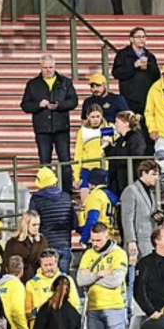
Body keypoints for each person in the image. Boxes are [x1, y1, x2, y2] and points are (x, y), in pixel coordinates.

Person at [77, 223, 129, 329]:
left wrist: (91, 279)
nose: (95, 244)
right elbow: (80, 280)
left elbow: (115, 281)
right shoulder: (88, 254)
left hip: (115, 308)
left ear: (107, 236)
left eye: (98, 240)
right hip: (93, 309)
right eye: (93, 240)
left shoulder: (119, 254)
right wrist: (99, 274)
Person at [20, 54, 78, 193]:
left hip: (61, 128)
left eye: (51, 67)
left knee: (65, 161)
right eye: (45, 67)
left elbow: (73, 101)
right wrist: (39, 105)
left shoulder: (65, 82)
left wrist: (59, 105)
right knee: (44, 162)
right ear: (40, 67)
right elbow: (25, 105)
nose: (48, 70)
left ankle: (67, 192)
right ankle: (46, 191)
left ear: (55, 66)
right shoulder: (32, 84)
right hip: (42, 129)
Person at [28, 168, 75, 274]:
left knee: (46, 280)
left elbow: (31, 222)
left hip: (45, 244)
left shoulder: (36, 199)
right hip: (65, 243)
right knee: (63, 281)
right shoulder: (66, 197)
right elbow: (74, 222)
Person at [25, 249, 80, 329]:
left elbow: (75, 305)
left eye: (51, 265)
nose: (48, 268)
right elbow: (27, 312)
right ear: (40, 265)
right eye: (45, 265)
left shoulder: (67, 280)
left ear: (56, 263)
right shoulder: (31, 284)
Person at [111, 27, 160, 114]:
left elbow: (157, 76)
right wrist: (133, 66)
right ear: (131, 39)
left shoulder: (150, 56)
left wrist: (149, 67)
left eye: (144, 37)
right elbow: (116, 73)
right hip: (128, 99)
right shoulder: (123, 54)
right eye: (139, 37)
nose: (142, 39)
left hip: (147, 99)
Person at [121, 160, 162, 260]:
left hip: (150, 240)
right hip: (138, 242)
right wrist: (131, 241)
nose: (157, 178)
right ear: (144, 173)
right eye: (154, 174)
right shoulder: (131, 190)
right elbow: (127, 219)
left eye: (157, 175)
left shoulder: (151, 193)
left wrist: (158, 217)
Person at [73, 104, 111, 202]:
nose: (95, 120)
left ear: (102, 116)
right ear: (87, 117)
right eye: (92, 117)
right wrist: (76, 177)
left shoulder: (107, 128)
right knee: (85, 200)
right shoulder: (82, 131)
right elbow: (78, 153)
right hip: (87, 169)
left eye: (98, 116)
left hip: (102, 168)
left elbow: (110, 146)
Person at [104, 110, 146, 194]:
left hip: (129, 178)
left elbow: (136, 155)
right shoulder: (120, 139)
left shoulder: (136, 137)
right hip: (117, 180)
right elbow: (111, 156)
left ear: (126, 123)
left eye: (117, 122)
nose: (115, 125)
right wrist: (107, 145)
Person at [4, 211, 48, 283]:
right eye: (34, 225)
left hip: (38, 281)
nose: (37, 228)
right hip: (19, 280)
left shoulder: (42, 241)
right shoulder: (13, 243)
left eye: (38, 225)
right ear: (26, 225)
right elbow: (7, 264)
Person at [79, 169, 120, 244]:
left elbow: (92, 219)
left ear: (91, 182)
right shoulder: (111, 195)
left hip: (98, 237)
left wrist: (84, 239)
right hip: (111, 236)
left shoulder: (95, 195)